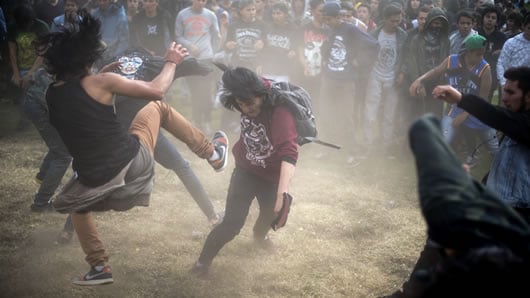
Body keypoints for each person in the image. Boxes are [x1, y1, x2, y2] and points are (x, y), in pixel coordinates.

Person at [35, 10, 228, 285]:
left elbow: (80, 103)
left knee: (76, 206)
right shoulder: (102, 83)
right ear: (85, 58)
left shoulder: (50, 94)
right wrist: (171, 63)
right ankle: (213, 154)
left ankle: (99, 267)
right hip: (132, 163)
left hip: (94, 180)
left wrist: (99, 77)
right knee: (157, 106)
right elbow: (156, 89)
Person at [384, 66, 530, 297]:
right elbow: (506, 171)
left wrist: (461, 99)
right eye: (504, 90)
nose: (504, 96)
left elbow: (498, 117)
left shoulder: (522, 124)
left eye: (511, 92)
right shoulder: (518, 123)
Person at [57, 48, 224, 243]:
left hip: (114, 130)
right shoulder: (154, 62)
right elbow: (189, 64)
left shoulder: (112, 63)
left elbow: (87, 83)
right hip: (145, 126)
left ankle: (67, 231)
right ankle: (212, 216)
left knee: (92, 179)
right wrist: (210, 68)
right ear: (147, 52)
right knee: (182, 166)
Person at [191, 65, 299, 279]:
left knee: (270, 214)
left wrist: (282, 194)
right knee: (232, 223)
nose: (246, 108)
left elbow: (289, 154)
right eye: (240, 104)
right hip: (246, 171)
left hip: (271, 177)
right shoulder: (245, 98)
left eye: (250, 103)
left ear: (261, 94)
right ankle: (202, 263)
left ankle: (260, 238)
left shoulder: (280, 112)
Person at [409, 34, 498, 167]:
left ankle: (502, 164)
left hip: (478, 111)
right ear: (468, 52)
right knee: (444, 138)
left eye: (482, 54)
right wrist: (419, 80)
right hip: (456, 108)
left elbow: (483, 99)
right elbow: (435, 71)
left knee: (494, 147)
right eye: (478, 54)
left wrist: (464, 115)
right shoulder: (452, 61)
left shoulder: (485, 69)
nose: (481, 58)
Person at [318, 1, 379, 164]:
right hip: (330, 78)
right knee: (328, 114)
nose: (326, 22)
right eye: (324, 19)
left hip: (345, 82)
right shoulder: (331, 30)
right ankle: (329, 149)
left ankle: (352, 152)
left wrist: (360, 61)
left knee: (346, 118)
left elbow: (373, 45)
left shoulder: (350, 29)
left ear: (338, 17)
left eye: (328, 19)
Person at [363, 2, 408, 158]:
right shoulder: (374, 34)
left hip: (393, 78)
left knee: (389, 115)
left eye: (398, 20)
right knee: (370, 112)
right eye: (393, 21)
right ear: (385, 19)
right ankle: (367, 145)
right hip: (375, 76)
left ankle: (386, 147)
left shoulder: (403, 35)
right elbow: (366, 55)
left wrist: (402, 72)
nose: (396, 24)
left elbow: (406, 57)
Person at [175, 0, 221, 134]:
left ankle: (207, 121)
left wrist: (213, 51)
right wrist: (189, 46)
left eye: (204, 0)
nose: (201, 2)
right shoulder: (182, 15)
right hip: (190, 59)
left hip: (206, 58)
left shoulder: (211, 15)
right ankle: (196, 120)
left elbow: (216, 35)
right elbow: (178, 36)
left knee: (206, 92)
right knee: (195, 92)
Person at [496, 14, 530, 90]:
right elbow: (501, 63)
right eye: (529, 28)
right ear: (523, 27)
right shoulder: (512, 43)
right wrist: (503, 83)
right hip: (511, 84)